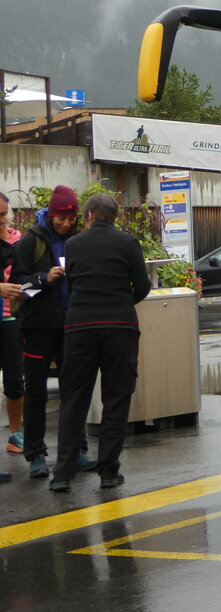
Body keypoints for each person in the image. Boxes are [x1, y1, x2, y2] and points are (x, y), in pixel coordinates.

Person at [49, 193, 151, 491]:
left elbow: (73, 283)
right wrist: (122, 302)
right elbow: (142, 286)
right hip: (120, 327)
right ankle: (108, 472)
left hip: (80, 327)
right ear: (115, 216)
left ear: (90, 215)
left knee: (74, 399)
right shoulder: (128, 243)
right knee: (116, 398)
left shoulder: (73, 244)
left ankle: (62, 475)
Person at [10, 185, 95, 479]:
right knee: (36, 393)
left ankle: (77, 450)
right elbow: (19, 288)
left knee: (74, 391)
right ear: (51, 215)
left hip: (72, 326)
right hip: (37, 327)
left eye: (71, 219)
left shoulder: (79, 241)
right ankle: (35, 455)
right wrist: (43, 279)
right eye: (61, 218)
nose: (66, 224)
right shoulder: (29, 242)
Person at [0, 192, 26, 470]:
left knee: (15, 380)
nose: (2, 219)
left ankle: (15, 434)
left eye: (4, 213)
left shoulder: (17, 241)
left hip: (11, 318)